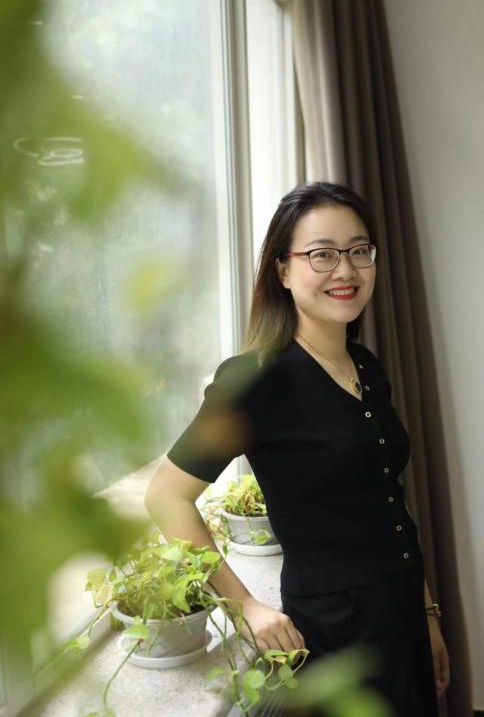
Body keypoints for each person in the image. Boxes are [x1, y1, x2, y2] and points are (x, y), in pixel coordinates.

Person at [144, 181, 450, 716]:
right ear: (283, 271)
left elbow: (388, 501)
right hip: (334, 636)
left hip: (403, 614)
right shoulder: (255, 380)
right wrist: (243, 605)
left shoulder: (365, 366)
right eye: (322, 254)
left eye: (358, 251)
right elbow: (165, 496)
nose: (346, 270)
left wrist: (427, 615)